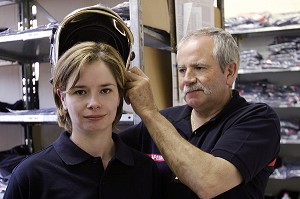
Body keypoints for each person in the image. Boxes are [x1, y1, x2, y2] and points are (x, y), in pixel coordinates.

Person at [4, 4, 161, 199]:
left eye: (105, 90)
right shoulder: (31, 176)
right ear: (63, 98)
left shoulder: (144, 170)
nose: (94, 103)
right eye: (80, 92)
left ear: (120, 94)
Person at [121, 27, 281, 199]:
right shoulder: (165, 120)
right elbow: (103, 149)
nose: (187, 79)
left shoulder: (258, 120)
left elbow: (209, 183)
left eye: (199, 68)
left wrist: (149, 112)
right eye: (182, 70)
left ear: (229, 72)